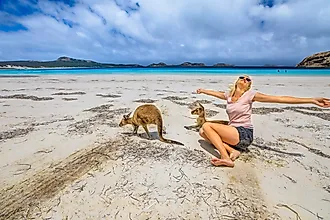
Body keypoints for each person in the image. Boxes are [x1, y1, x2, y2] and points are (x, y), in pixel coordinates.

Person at [197, 75, 330, 168]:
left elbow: (280, 99)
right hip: (233, 134)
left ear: (249, 85)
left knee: (207, 125)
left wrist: (311, 100)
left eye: (248, 79)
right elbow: (215, 93)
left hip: (244, 134)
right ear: (236, 81)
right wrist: (203, 90)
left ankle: (226, 158)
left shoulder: (250, 95)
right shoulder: (229, 96)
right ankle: (233, 151)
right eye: (242, 77)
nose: (244, 79)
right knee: (203, 132)